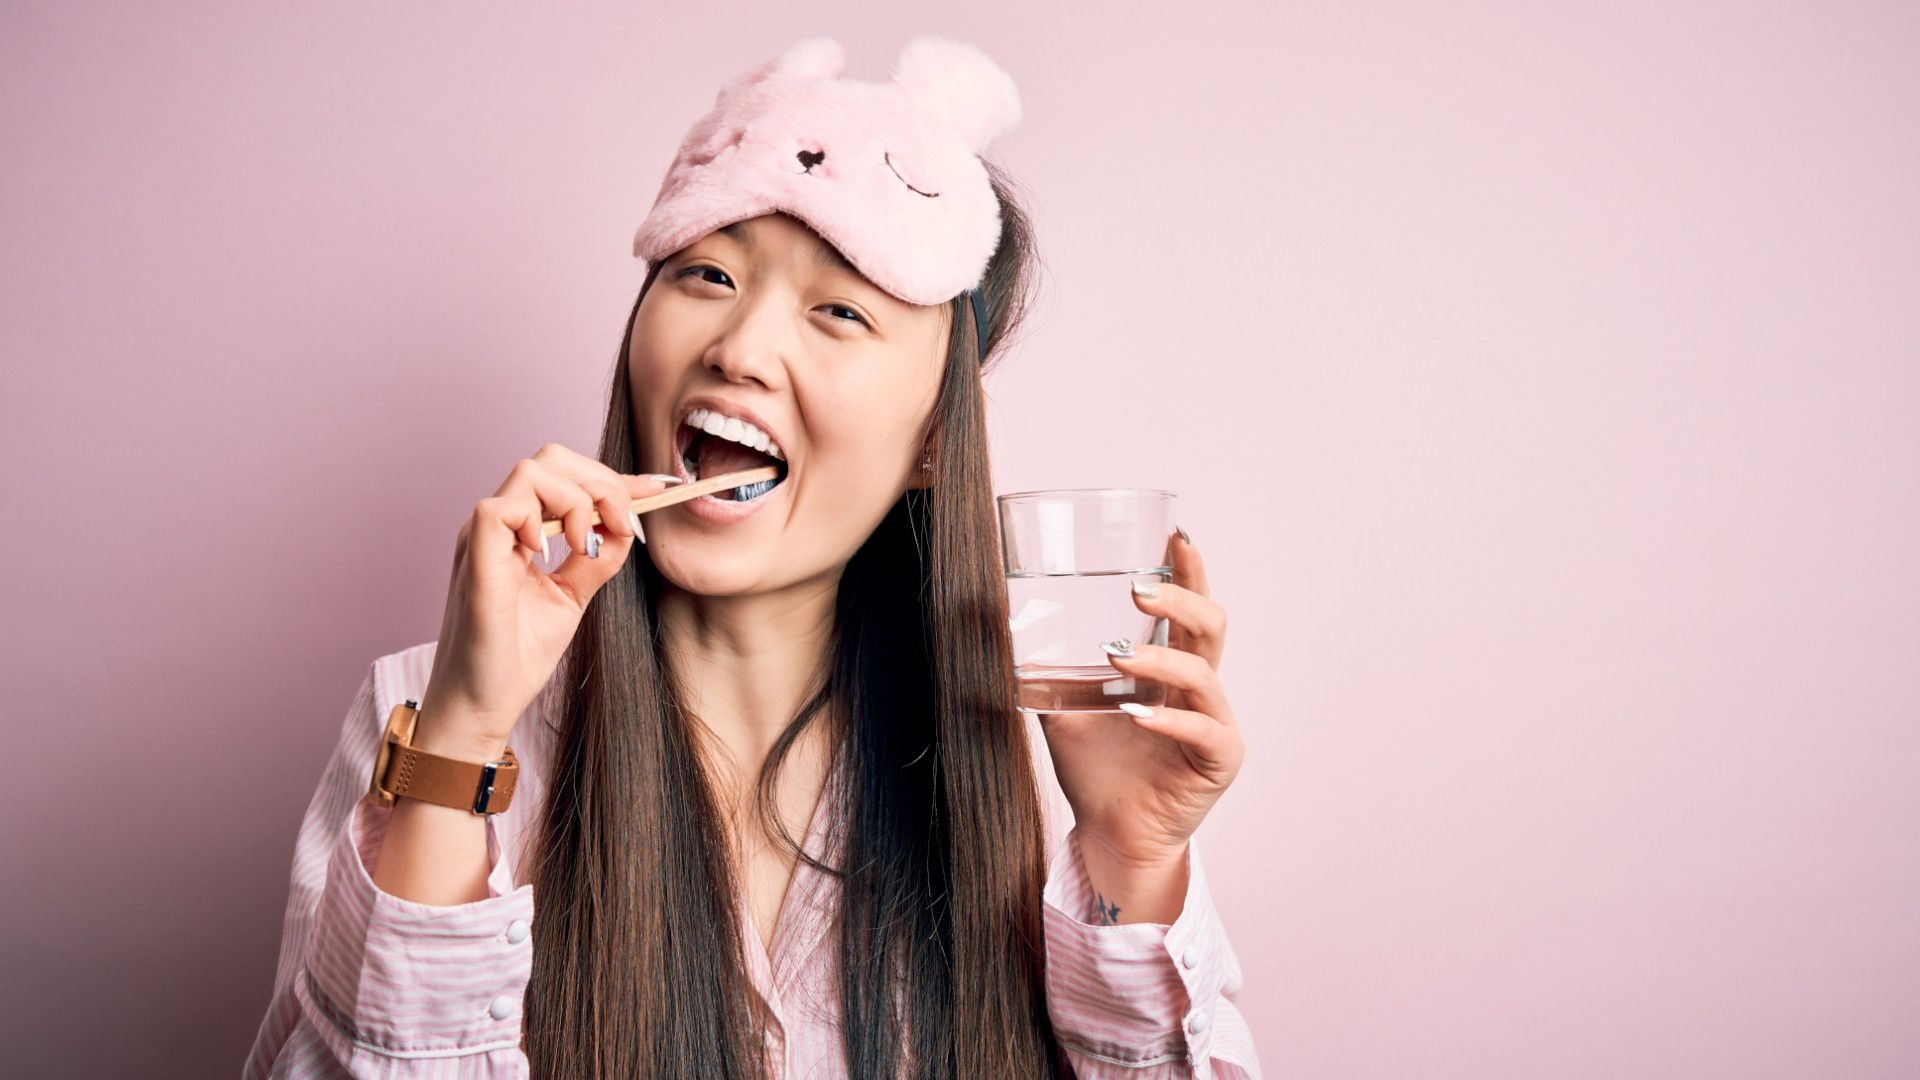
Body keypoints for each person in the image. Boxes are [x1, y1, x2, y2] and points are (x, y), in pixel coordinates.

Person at [243, 35, 1262, 1079]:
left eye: (839, 311)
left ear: (935, 439)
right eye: (709, 274)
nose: (738, 349)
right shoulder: (432, 716)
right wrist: (459, 739)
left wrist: (1131, 862)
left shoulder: (1044, 768)